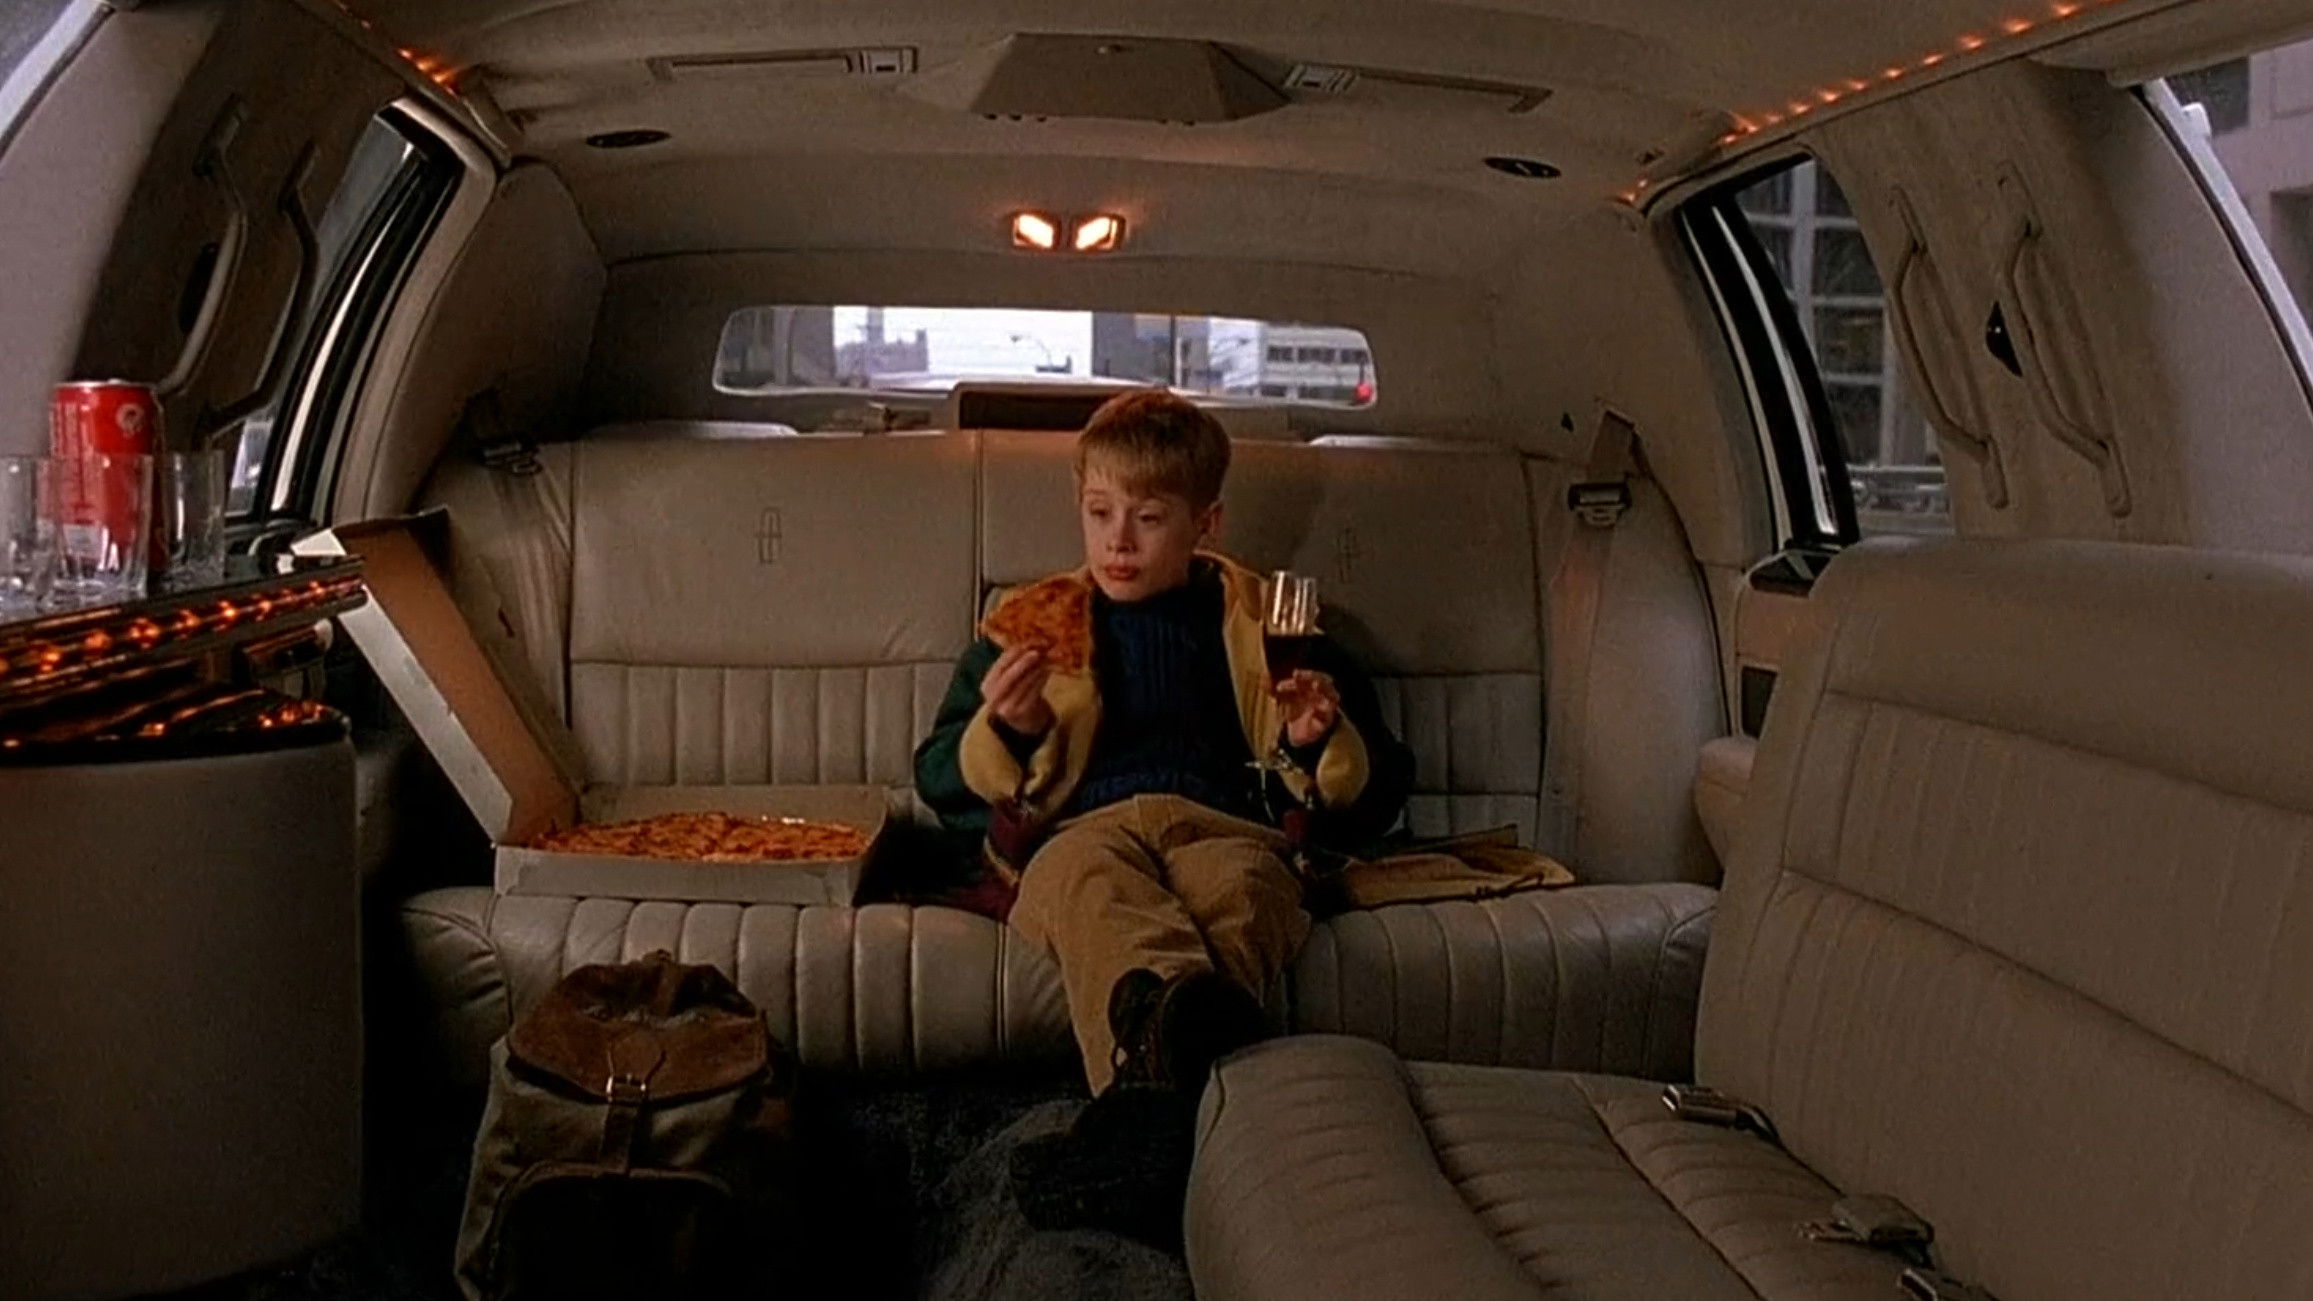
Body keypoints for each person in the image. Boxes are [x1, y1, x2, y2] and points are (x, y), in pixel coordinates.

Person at [913, 389, 1413, 1245]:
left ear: (1203, 524)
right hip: (1084, 830)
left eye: (1147, 518)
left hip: (1224, 825)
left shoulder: (1271, 624)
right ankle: (1198, 1121)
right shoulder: (1029, 629)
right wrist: (1007, 729)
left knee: (1245, 893)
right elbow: (936, 775)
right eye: (1098, 513)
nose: (1118, 540)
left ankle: (1139, 1126)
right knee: (1092, 890)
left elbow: (1377, 786)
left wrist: (1315, 740)